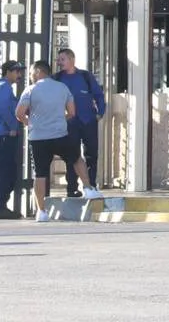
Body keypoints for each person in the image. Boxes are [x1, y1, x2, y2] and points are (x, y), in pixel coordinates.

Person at [15, 60, 102, 221]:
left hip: (38, 138)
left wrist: (29, 122)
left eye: (31, 73)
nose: (30, 76)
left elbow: (19, 113)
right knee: (76, 158)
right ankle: (88, 188)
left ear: (39, 72)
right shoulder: (62, 88)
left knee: (40, 174)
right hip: (60, 134)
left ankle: (41, 212)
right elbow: (72, 112)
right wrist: (59, 120)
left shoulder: (30, 90)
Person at [52, 48, 106, 197]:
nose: (59, 62)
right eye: (58, 59)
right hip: (69, 123)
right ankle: (72, 188)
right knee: (72, 155)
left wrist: (100, 113)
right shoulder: (56, 79)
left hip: (88, 120)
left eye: (62, 59)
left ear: (72, 59)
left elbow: (99, 96)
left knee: (92, 154)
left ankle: (91, 186)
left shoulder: (85, 76)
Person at [0, 61, 24, 219]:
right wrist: (12, 127)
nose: (19, 75)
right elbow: (3, 108)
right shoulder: (3, 87)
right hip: (4, 134)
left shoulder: (1, 86)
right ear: (8, 72)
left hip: (1, 134)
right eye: (17, 71)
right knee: (6, 172)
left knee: (6, 171)